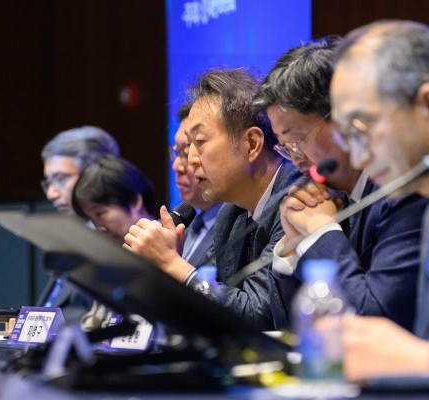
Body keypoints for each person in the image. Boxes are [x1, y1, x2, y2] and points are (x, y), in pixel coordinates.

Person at [251, 37, 428, 330]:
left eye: (297, 139)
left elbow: (377, 320)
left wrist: (320, 231)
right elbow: (294, 329)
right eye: (285, 147)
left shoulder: (405, 191)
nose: (295, 158)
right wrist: (293, 244)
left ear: (344, 120)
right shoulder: (329, 195)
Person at [124, 68, 301, 330]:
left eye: (200, 141)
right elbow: (214, 302)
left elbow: (259, 315)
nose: (191, 159)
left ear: (252, 144)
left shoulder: (299, 201)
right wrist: (166, 268)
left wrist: (172, 264)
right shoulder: (231, 214)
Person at [328, 20, 429, 380]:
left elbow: (427, 355)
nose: (358, 158)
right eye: (347, 137)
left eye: (361, 127)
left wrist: (424, 360)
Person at [38, 126, 120, 322]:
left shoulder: (120, 245)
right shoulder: (71, 242)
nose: (51, 194)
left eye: (60, 179)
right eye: (48, 182)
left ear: (95, 175)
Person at [71, 155, 157, 331]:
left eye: (100, 214)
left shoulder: (174, 245)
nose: (98, 227)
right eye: (91, 219)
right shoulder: (107, 258)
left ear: (135, 201)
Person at [171, 103, 222, 267]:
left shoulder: (237, 228)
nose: (176, 166)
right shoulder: (184, 223)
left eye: (185, 153)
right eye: (177, 152)